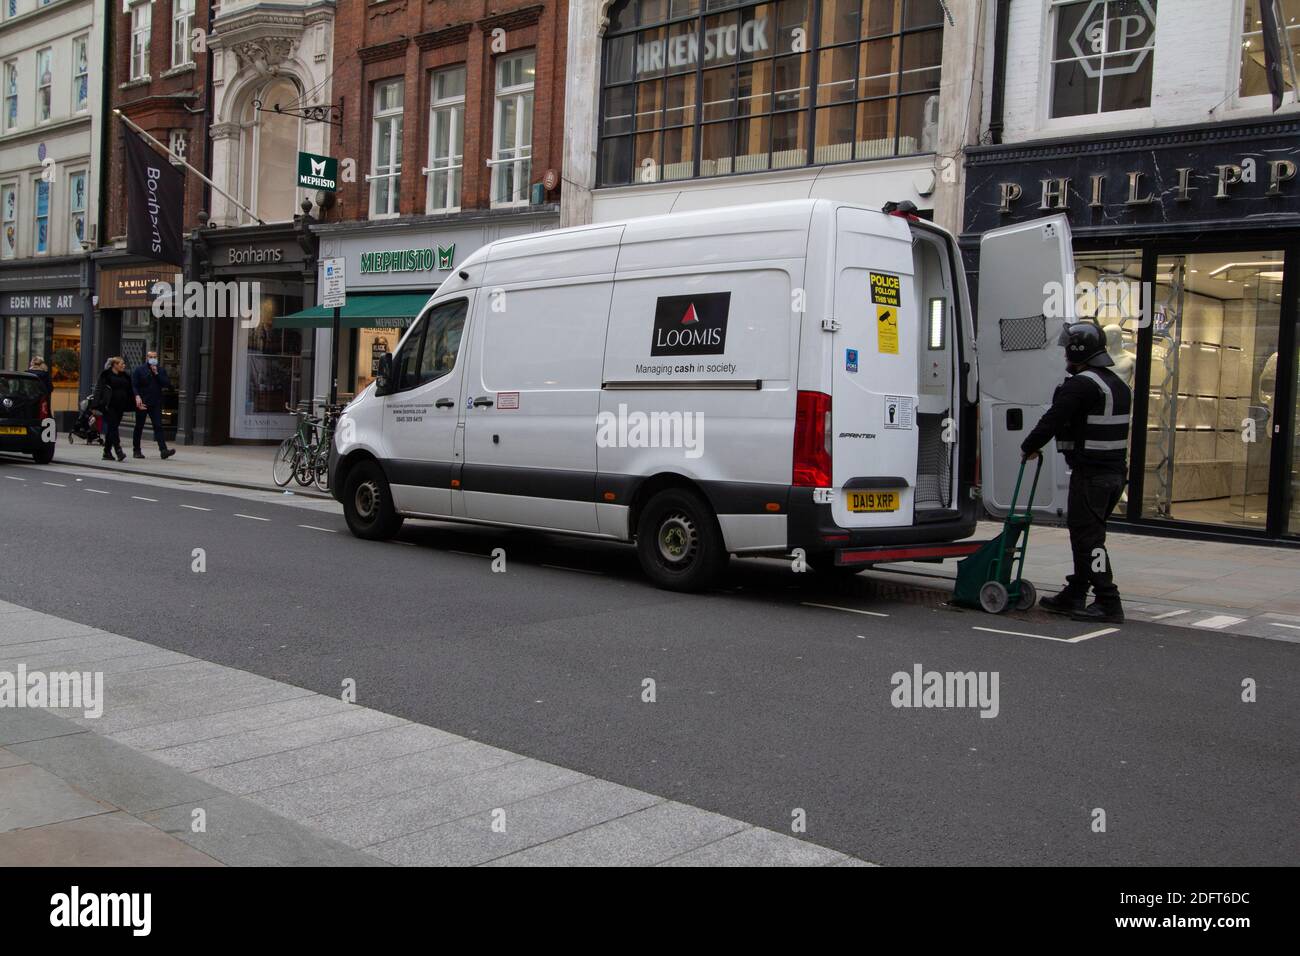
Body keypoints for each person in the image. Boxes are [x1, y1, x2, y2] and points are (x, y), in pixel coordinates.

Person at [1020, 322, 1132, 624]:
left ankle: (1109, 601)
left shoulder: (1082, 384)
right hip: (1113, 475)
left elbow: (1053, 419)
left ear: (1076, 350)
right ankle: (1076, 591)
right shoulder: (1116, 384)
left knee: (1089, 541)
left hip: (1092, 476)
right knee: (1087, 536)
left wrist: (1028, 446)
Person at [130, 350, 176, 459]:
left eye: (155, 357)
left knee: (158, 426)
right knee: (139, 426)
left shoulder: (160, 370)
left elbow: (166, 383)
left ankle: (163, 450)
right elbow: (134, 385)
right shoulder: (139, 370)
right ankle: (136, 450)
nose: (153, 359)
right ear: (147, 357)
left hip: (156, 402)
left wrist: (156, 374)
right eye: (151, 357)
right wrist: (137, 396)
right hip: (143, 402)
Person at [96, 356, 133, 462]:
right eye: (121, 364)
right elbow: (99, 390)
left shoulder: (125, 376)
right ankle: (118, 450)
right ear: (115, 365)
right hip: (109, 406)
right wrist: (96, 405)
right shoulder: (106, 375)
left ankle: (106, 452)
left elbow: (130, 389)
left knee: (113, 428)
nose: (124, 365)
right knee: (113, 427)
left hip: (120, 406)